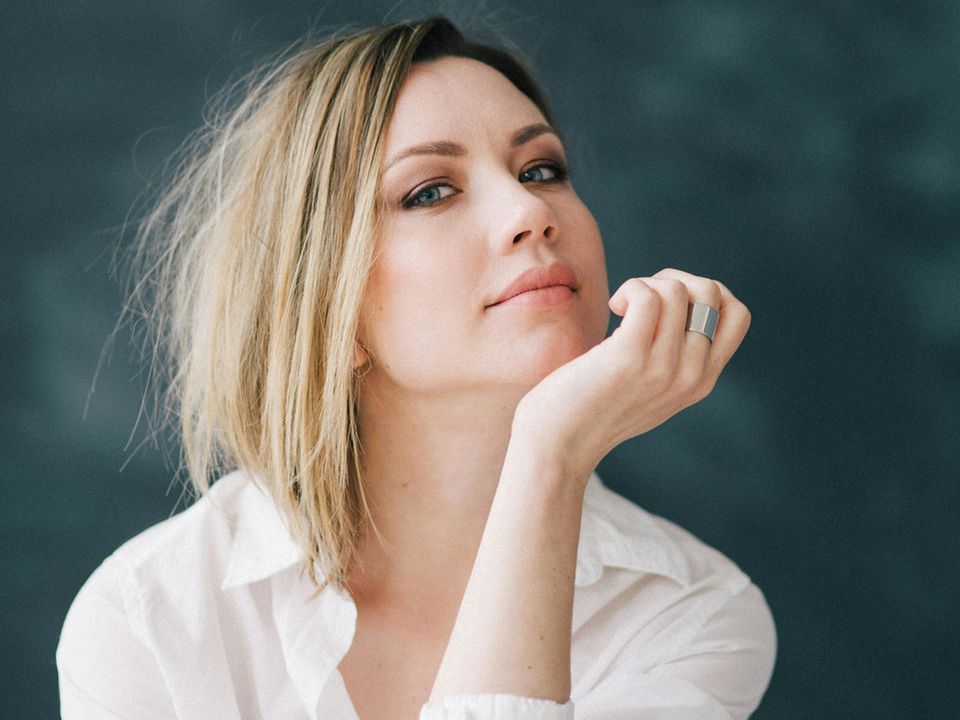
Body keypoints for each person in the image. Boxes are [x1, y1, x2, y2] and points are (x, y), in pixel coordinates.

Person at [57, 15, 776, 720]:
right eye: (430, 190)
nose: (529, 209)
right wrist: (550, 457)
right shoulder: (151, 621)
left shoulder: (691, 613)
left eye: (541, 169)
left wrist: (549, 457)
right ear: (326, 307)